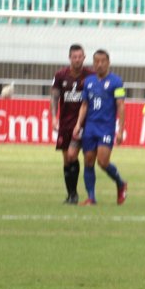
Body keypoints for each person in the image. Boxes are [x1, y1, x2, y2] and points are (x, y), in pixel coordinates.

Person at [73, 49, 128, 206]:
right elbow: (84, 105)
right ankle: (91, 198)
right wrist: (78, 125)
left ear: (108, 62)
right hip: (90, 127)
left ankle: (120, 183)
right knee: (88, 161)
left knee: (103, 162)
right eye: (96, 61)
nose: (100, 64)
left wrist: (120, 131)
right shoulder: (88, 82)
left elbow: (121, 106)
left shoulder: (117, 82)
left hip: (106, 128)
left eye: (103, 61)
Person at [50, 44, 93, 204]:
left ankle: (75, 195)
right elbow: (54, 96)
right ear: (70, 58)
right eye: (74, 57)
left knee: (72, 155)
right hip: (64, 123)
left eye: (79, 57)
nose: (77, 60)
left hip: (82, 123)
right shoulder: (60, 75)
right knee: (66, 160)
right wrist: (54, 117)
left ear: (84, 57)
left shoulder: (90, 75)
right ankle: (71, 195)